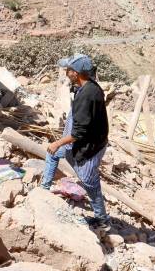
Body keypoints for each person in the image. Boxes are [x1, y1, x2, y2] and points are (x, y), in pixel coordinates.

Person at [42, 54, 111, 232]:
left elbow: (79, 132)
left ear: (77, 73)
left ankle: (102, 220)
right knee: (53, 154)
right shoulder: (87, 86)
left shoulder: (87, 94)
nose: (66, 72)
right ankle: (44, 190)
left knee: (90, 182)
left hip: (90, 147)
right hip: (87, 141)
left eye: (69, 70)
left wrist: (58, 142)